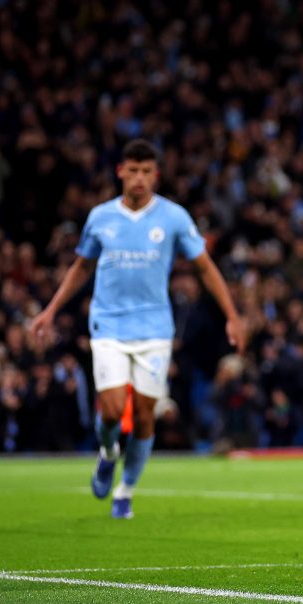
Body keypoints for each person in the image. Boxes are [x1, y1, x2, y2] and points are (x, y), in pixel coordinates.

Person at [30, 139, 246, 519]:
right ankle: (108, 452)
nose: (139, 178)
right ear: (120, 172)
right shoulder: (100, 217)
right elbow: (82, 267)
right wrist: (51, 310)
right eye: (133, 170)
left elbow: (204, 267)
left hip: (154, 328)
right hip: (109, 324)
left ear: (156, 175)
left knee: (145, 416)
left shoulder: (174, 217)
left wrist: (232, 314)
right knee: (113, 411)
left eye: (146, 171)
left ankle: (125, 491)